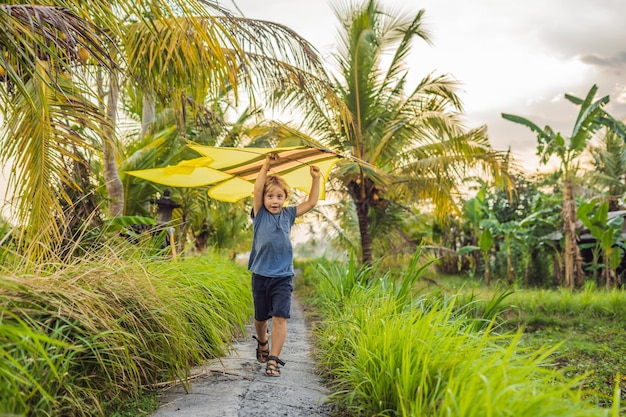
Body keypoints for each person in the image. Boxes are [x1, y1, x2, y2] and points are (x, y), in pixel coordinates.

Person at [248, 153, 321, 377]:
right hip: (260, 274)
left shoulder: (288, 214)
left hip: (282, 276)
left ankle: (273, 360)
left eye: (279, 196)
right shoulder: (259, 214)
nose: (274, 200)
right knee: (261, 319)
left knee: (280, 317)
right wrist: (266, 166)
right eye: (270, 196)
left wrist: (315, 178)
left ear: (285, 198)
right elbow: (257, 189)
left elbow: (311, 202)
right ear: (264, 198)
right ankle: (263, 341)